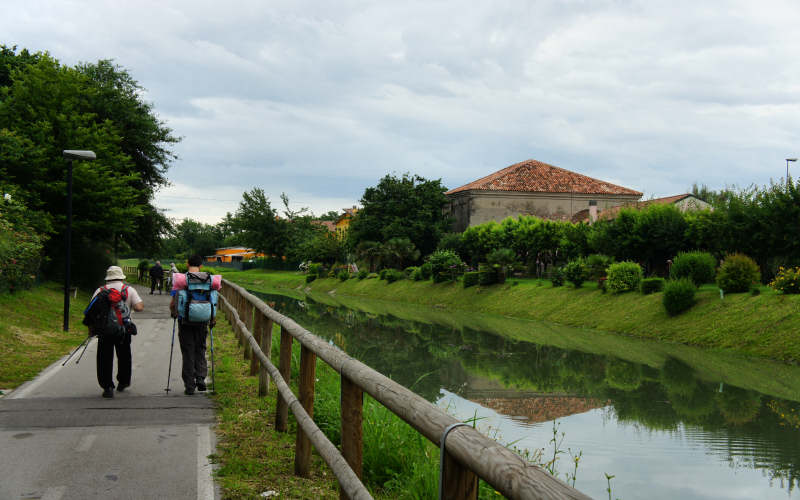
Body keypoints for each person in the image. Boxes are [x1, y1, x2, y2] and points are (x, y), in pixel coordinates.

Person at [92, 265, 144, 398]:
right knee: (124, 356)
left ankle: (107, 387)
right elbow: (139, 307)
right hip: (123, 329)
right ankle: (123, 382)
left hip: (104, 330)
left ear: (108, 278)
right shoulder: (128, 290)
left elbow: (92, 311)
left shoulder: (100, 290)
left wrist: (91, 329)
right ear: (121, 277)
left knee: (104, 358)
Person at [169, 254, 215, 395]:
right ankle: (201, 377)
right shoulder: (207, 279)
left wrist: (174, 312)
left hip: (186, 321)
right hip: (203, 320)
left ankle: (189, 385)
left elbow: (173, 301)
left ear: (188, 264)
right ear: (201, 265)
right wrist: (212, 318)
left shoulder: (182, 280)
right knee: (200, 348)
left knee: (188, 351)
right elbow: (213, 299)